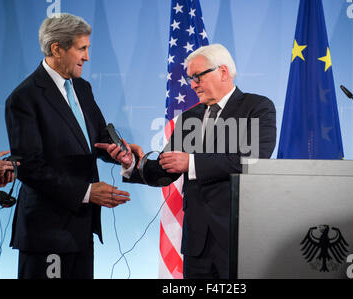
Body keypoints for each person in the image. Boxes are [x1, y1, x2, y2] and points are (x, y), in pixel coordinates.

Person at [96, 44, 277, 278]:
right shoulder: (189, 118)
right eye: (190, 78)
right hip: (197, 245)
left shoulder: (257, 107)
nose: (192, 84)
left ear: (222, 72)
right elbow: (167, 168)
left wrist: (191, 163)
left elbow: (252, 158)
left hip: (239, 237)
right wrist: (131, 162)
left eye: (197, 76)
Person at [5, 13, 137, 279]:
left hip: (80, 227)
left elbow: (97, 138)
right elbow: (29, 168)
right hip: (46, 232)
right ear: (57, 48)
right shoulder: (24, 97)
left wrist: (119, 153)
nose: (87, 57)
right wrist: (87, 191)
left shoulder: (82, 87)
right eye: (82, 48)